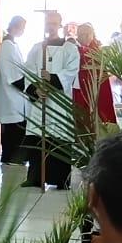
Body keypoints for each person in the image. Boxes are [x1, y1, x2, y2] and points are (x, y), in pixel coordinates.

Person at [23, 11, 80, 190]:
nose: (51, 27)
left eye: (54, 23)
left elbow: (71, 71)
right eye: (48, 23)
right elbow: (28, 71)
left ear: (60, 25)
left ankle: (60, 179)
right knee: (37, 137)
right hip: (40, 102)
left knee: (59, 137)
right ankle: (34, 178)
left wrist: (53, 78)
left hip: (59, 102)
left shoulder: (69, 48)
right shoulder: (36, 47)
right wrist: (35, 88)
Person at [74, 24, 118, 131]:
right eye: (82, 34)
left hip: (99, 89)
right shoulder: (73, 50)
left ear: (93, 35)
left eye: (88, 34)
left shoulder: (99, 51)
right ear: (77, 36)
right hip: (80, 89)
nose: (85, 37)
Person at [0, 16, 27, 164]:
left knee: (16, 126)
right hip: (12, 92)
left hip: (16, 93)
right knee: (13, 127)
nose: (23, 30)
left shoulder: (13, 44)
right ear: (15, 26)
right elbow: (10, 71)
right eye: (22, 27)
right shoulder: (7, 45)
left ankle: (14, 156)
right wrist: (26, 85)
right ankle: (11, 157)